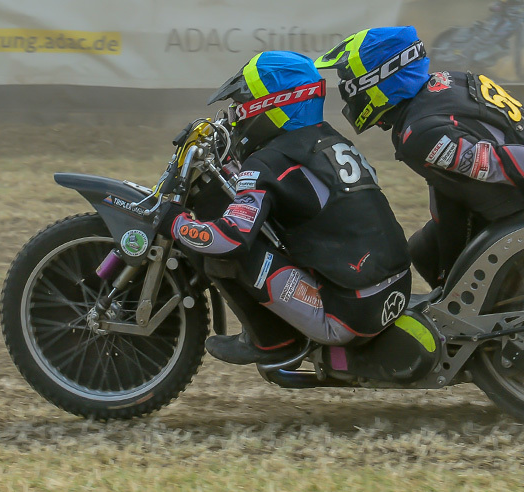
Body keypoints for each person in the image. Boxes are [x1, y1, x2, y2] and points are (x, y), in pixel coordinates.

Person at [315, 26, 524, 289]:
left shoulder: (420, 131)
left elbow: (512, 159)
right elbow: (447, 181)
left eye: (348, 80)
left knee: (430, 253)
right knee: (426, 250)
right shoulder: (445, 82)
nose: (345, 90)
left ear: (379, 79)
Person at [159, 51, 412, 365]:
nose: (236, 115)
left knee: (228, 253)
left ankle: (273, 342)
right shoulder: (328, 139)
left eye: (241, 105)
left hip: (350, 314)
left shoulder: (268, 162)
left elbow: (229, 240)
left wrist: (173, 221)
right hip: (394, 288)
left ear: (272, 104)